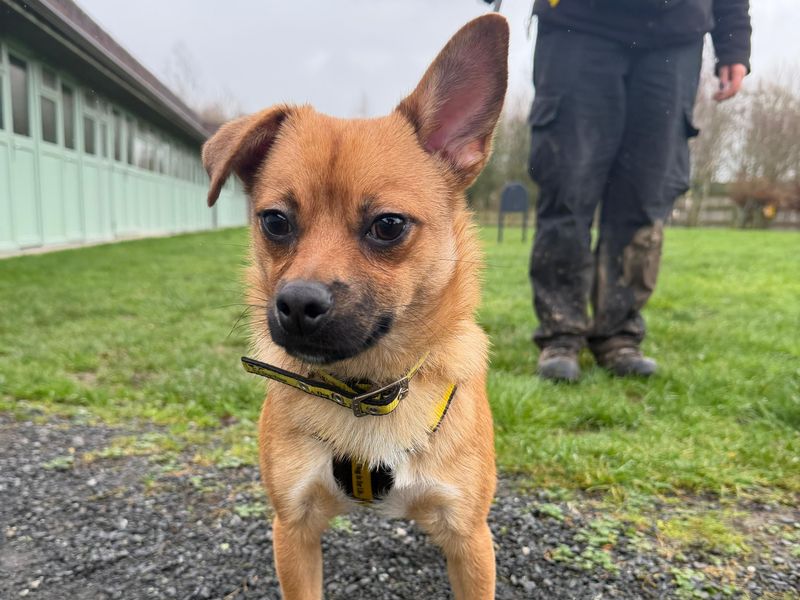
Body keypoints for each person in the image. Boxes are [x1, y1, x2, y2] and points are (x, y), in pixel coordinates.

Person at [516, 0, 752, 381]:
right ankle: (560, 333)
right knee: (566, 187)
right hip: (579, 24)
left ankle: (618, 334)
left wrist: (734, 44)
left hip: (674, 35)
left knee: (645, 193)